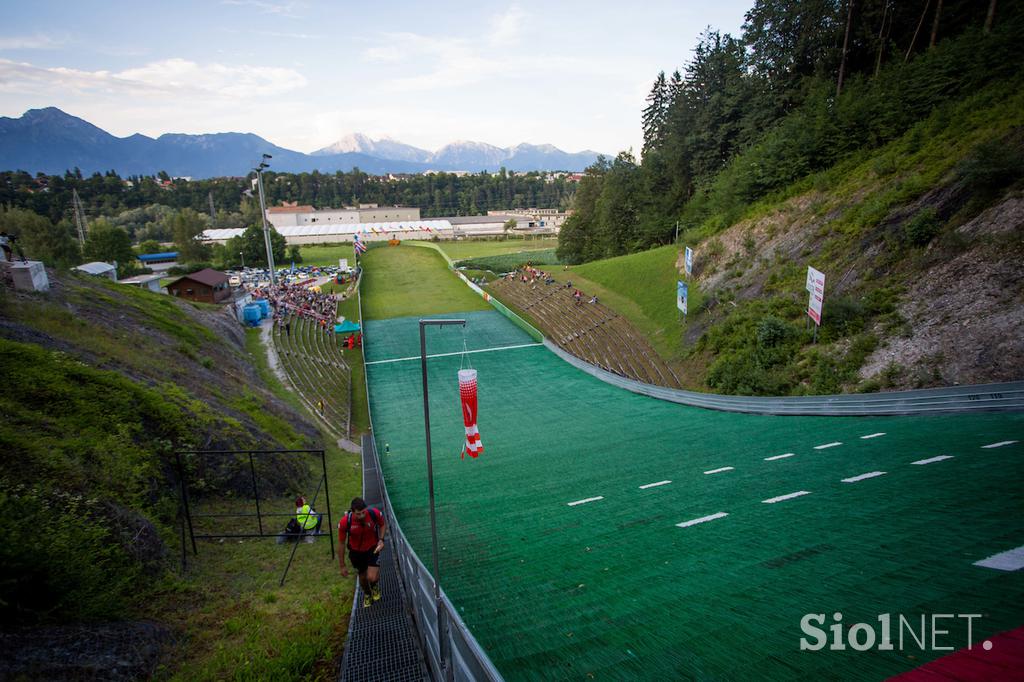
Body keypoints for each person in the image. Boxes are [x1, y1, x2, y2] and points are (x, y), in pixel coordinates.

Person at [339, 497, 387, 608]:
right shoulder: (345, 522)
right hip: (356, 552)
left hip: (372, 549)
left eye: (363, 512)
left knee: (372, 577)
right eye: (358, 514)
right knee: (363, 577)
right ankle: (367, 593)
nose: (361, 516)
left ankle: (374, 586)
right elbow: (341, 544)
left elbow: (382, 524)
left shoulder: (373, 514)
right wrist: (342, 566)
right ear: (352, 512)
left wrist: (381, 539)